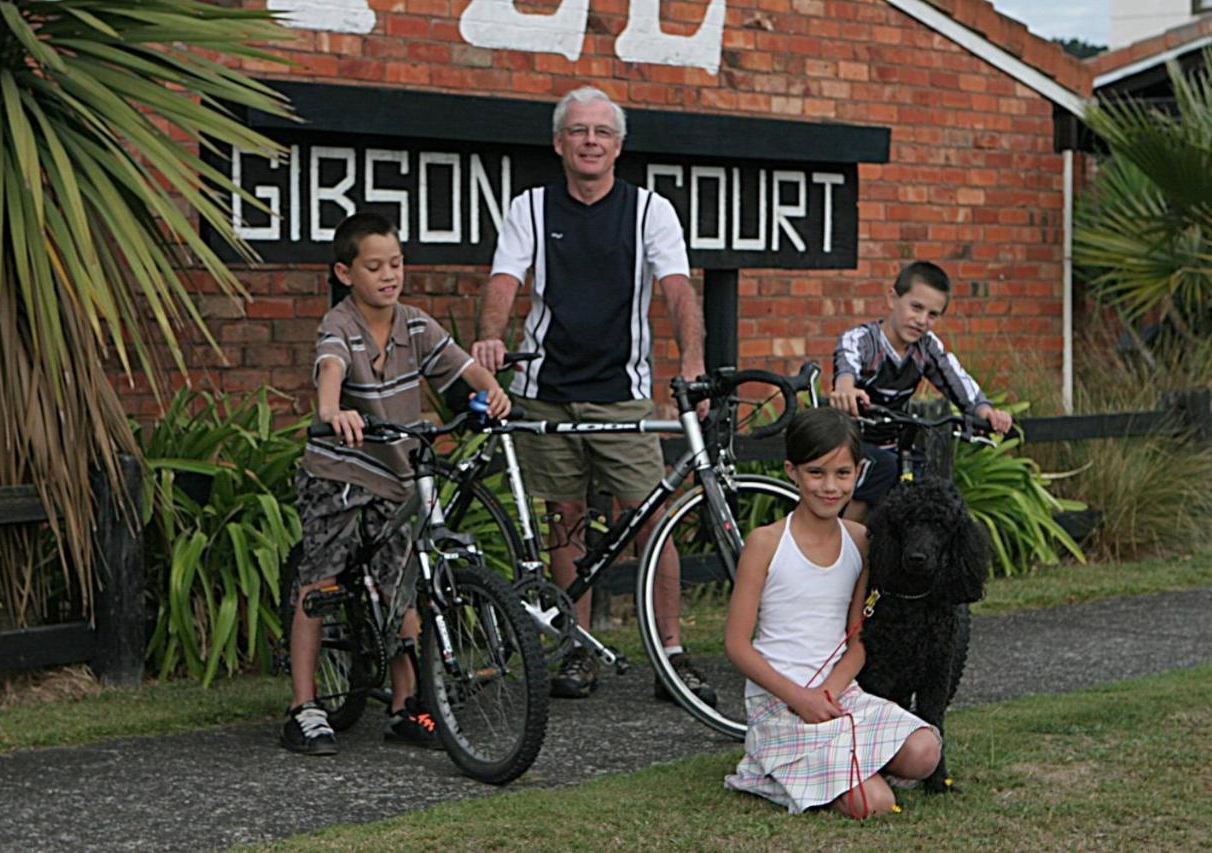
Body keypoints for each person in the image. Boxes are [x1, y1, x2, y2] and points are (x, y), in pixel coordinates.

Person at [472, 86, 712, 703]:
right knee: (565, 523)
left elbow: (678, 288)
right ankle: (575, 648)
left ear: (618, 146)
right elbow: (505, 279)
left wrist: (692, 360)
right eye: (578, 131)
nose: (590, 141)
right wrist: (489, 339)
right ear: (559, 143)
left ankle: (671, 653)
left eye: (602, 132)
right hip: (546, 389)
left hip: (620, 392)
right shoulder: (529, 207)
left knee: (650, 521)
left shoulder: (649, 211)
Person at [284, 212, 511, 755]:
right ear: (344, 272)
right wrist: (331, 410)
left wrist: (491, 390)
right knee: (319, 580)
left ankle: (406, 706)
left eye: (397, 263)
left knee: (405, 582)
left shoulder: (414, 323)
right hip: (341, 472)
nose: (390, 275)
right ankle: (303, 706)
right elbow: (330, 366)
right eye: (375, 266)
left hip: (398, 476)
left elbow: (459, 366)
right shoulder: (339, 325)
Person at [723, 406, 942, 818]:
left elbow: (857, 639)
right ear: (792, 471)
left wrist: (828, 693)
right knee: (876, 804)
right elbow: (736, 644)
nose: (830, 486)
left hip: (839, 693)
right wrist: (800, 698)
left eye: (842, 474)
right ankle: (767, 768)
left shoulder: (861, 540)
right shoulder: (765, 542)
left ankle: (833, 763)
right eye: (816, 472)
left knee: (924, 752)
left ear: (859, 472)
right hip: (780, 701)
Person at [829, 261, 1013, 522]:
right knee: (883, 467)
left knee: (923, 481)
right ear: (893, 298)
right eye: (916, 307)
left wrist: (987, 412)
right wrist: (846, 389)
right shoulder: (861, 339)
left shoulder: (926, 348)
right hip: (846, 440)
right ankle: (845, 548)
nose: (922, 320)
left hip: (893, 441)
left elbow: (958, 381)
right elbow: (846, 365)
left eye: (932, 314)